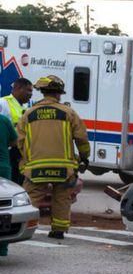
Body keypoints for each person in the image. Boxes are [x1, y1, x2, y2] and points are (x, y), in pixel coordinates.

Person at [16, 75, 90, 239]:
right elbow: (81, 138)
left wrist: (26, 161)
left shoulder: (28, 114)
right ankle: (58, 230)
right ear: (58, 94)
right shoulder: (68, 112)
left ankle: (23, 228)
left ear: (42, 92)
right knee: (62, 197)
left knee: (30, 198)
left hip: (36, 167)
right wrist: (84, 157)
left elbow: (19, 141)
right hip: (63, 168)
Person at [0, 78, 33, 185]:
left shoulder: (26, 107)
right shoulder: (3, 103)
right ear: (18, 88)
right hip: (8, 150)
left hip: (21, 150)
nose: (31, 94)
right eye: (28, 90)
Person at [0, 114, 18, 256]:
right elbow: (14, 142)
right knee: (4, 208)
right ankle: (2, 248)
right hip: (3, 167)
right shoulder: (4, 120)